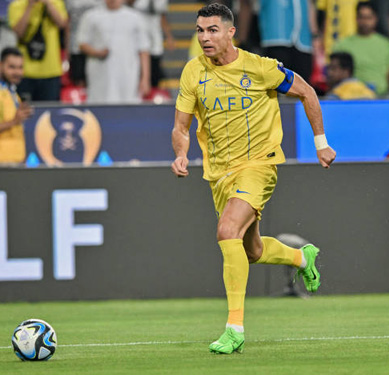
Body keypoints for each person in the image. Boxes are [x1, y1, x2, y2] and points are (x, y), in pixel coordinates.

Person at [171, 3, 336, 354]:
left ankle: (234, 328)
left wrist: (321, 144)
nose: (204, 37)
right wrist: (181, 152)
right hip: (218, 173)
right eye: (200, 30)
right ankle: (301, 258)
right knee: (252, 250)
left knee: (227, 231)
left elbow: (307, 91)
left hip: (258, 165)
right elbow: (181, 127)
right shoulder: (192, 72)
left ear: (231, 32)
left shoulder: (260, 68)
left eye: (212, 30)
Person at [77, 0, 151, 104]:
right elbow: (82, 43)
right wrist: (97, 53)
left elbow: (143, 49)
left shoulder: (135, 17)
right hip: (99, 75)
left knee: (127, 107)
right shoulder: (90, 16)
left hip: (128, 75)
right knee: (100, 106)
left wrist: (145, 79)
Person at [333, 2, 389, 96]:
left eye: (369, 18)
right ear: (356, 18)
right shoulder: (342, 45)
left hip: (380, 98)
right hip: (350, 97)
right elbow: (335, 75)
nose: (365, 22)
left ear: (376, 19)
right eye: (361, 17)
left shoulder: (386, 44)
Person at [8, 0, 68, 101]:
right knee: (25, 113)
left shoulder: (55, 2)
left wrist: (48, 4)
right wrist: (30, 6)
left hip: (51, 71)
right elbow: (19, 33)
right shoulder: (17, 4)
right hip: (24, 72)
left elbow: (62, 24)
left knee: (49, 112)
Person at [258, 0, 319, 83]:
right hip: (276, 37)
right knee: (276, 85)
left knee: (303, 86)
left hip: (303, 40)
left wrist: (315, 35)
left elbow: (310, 4)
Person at [129, 0, 176, 89]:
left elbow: (162, 17)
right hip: (138, 37)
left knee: (155, 73)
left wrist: (169, 37)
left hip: (155, 39)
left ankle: (152, 98)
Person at [64, 0, 102, 87]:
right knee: (79, 84)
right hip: (76, 47)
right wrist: (67, 50)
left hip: (97, 48)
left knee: (98, 82)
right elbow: (67, 23)